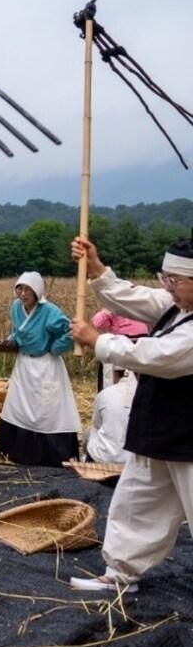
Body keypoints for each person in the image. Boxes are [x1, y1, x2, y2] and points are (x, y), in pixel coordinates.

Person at [67, 233, 193, 593]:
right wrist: (96, 268)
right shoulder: (176, 305)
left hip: (189, 436)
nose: (167, 287)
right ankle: (120, 574)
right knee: (136, 500)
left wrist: (98, 340)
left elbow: (155, 356)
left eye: (175, 280)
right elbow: (134, 297)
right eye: (164, 278)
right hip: (159, 429)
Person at [0, 272, 80, 467]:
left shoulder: (50, 311)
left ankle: (49, 454)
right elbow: (17, 330)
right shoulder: (16, 308)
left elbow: (70, 331)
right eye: (20, 289)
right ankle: (15, 450)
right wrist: (11, 340)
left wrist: (55, 348)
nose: (23, 294)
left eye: (28, 290)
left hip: (46, 365)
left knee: (46, 409)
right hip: (24, 364)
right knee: (18, 406)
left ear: (37, 292)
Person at [86, 368, 136, 465]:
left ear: (115, 374)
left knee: (91, 431)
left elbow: (97, 423)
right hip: (134, 460)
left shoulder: (105, 394)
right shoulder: (144, 395)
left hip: (104, 458)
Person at [91, 308, 147, 390]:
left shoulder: (142, 305)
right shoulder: (113, 307)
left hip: (139, 346)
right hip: (117, 347)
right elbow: (97, 323)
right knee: (112, 381)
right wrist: (110, 311)